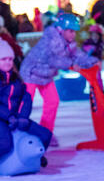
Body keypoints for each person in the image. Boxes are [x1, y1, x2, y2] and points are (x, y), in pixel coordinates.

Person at [0, 38, 51, 176]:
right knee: (4, 143)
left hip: (16, 117)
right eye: (3, 59)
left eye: (10, 59)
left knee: (45, 134)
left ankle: (37, 155)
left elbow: (26, 98)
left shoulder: (16, 78)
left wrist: (22, 117)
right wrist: (8, 116)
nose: (8, 62)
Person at [18, 12, 99, 145]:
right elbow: (52, 59)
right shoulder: (50, 40)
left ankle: (46, 132)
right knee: (25, 105)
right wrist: (71, 64)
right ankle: (17, 132)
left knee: (53, 102)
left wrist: (93, 61)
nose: (73, 34)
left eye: (74, 32)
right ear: (61, 30)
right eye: (70, 31)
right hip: (31, 73)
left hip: (46, 76)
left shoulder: (69, 43)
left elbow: (77, 55)